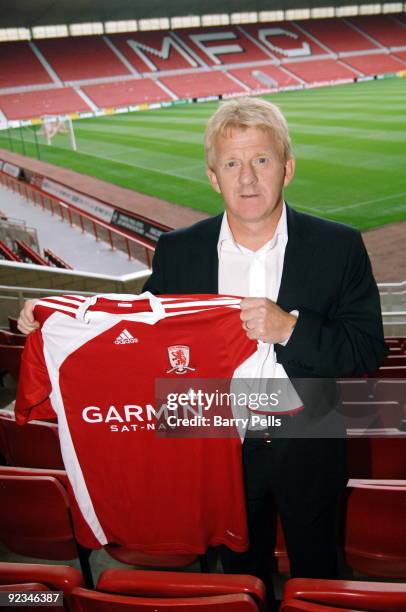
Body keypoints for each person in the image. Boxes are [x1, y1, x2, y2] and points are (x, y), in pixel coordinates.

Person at [18, 97, 388, 606]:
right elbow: (127, 331)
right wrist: (53, 312)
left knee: (318, 568)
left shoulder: (339, 245)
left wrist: (289, 330)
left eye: (262, 159)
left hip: (309, 435)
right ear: (214, 178)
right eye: (232, 163)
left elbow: (366, 350)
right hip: (208, 437)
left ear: (288, 168)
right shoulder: (180, 249)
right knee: (236, 574)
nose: (248, 178)